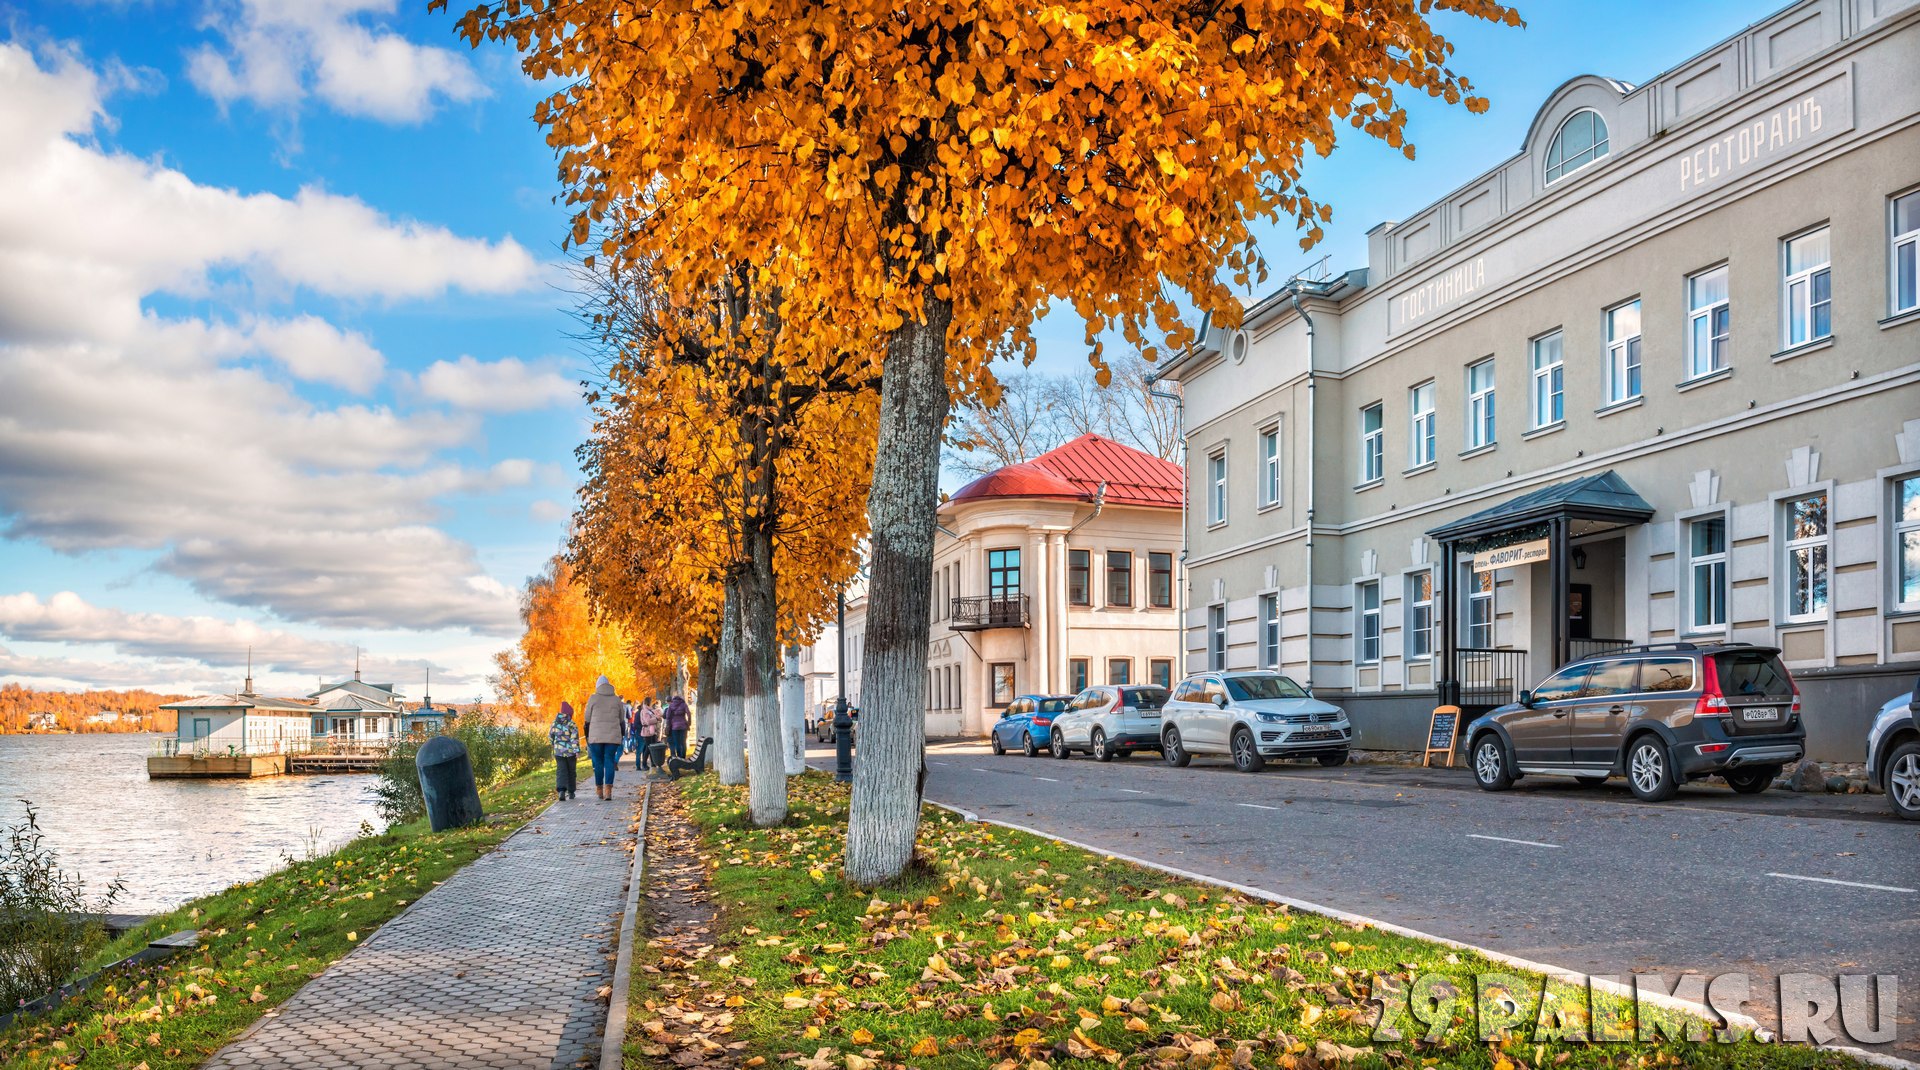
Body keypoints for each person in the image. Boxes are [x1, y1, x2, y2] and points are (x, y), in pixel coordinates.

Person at [582, 675, 626, 800]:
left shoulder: (593, 698)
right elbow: (621, 719)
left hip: (596, 737)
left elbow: (587, 718)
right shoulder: (617, 699)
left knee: (598, 762)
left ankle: (599, 790)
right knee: (609, 761)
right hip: (612, 737)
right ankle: (608, 792)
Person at [548, 702, 581, 801]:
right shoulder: (572, 724)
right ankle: (571, 792)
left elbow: (550, 736)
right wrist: (576, 751)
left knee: (561, 771)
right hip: (570, 752)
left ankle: (561, 791)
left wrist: (554, 745)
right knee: (571, 771)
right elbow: (574, 739)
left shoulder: (554, 723)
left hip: (558, 751)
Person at [635, 697, 662, 772]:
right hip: (647, 731)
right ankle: (644, 764)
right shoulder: (645, 711)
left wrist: (657, 717)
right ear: (648, 702)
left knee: (651, 747)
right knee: (648, 748)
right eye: (651, 701)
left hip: (652, 731)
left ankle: (653, 763)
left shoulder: (649, 710)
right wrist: (656, 719)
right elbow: (647, 721)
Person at [663, 695, 691, 759]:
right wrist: (689, 723)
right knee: (683, 742)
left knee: (677, 743)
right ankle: (683, 757)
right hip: (683, 726)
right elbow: (689, 714)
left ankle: (679, 757)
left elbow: (668, 717)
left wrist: (668, 725)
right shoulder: (684, 704)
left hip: (674, 727)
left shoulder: (671, 705)